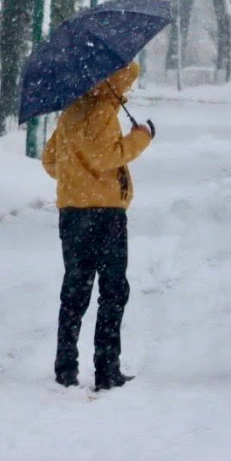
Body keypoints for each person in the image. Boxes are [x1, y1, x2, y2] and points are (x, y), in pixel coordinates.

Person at [41, 61, 154, 391]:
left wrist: (75, 176)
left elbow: (50, 161)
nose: (127, 90)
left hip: (72, 213)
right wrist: (140, 138)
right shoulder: (103, 111)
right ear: (115, 81)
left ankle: (65, 368)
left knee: (75, 291)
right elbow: (107, 157)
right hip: (106, 215)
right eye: (126, 84)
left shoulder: (71, 110)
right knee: (113, 291)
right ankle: (107, 369)